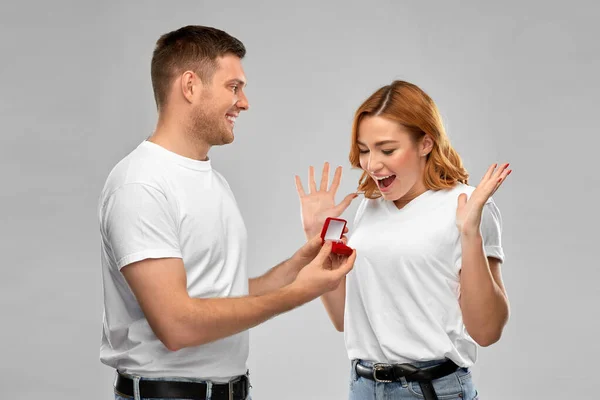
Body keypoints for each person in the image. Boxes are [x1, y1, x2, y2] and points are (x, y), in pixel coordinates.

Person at [97, 25, 356, 400]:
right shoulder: (140, 184)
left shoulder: (212, 181)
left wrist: (298, 265)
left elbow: (220, 296)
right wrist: (298, 294)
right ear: (190, 86)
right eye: (233, 87)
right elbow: (178, 326)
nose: (244, 102)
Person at [294, 80, 511, 400]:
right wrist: (317, 235)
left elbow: (487, 331)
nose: (372, 164)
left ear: (425, 142)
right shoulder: (370, 207)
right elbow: (345, 319)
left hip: (431, 389)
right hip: (364, 386)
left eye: (387, 149)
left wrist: (470, 236)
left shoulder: (468, 205)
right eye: (365, 150)